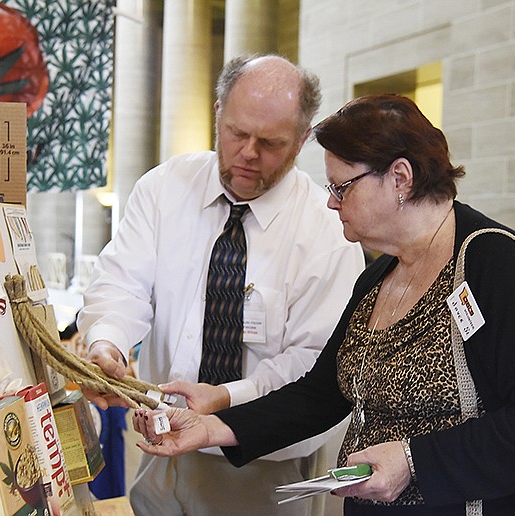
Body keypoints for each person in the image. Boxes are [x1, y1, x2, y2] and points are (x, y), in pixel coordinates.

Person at [132, 93, 515, 515]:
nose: (331, 202)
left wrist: (413, 461)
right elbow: (319, 395)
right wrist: (209, 428)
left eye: (341, 187)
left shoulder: (493, 262)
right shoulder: (378, 275)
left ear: (400, 177)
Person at [77, 54, 365, 515]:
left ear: (302, 140)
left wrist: (226, 403)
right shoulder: (164, 189)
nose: (249, 153)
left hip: (267, 470)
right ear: (217, 112)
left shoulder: (328, 231)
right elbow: (121, 283)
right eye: (236, 133)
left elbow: (313, 366)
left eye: (270, 142)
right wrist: (108, 342)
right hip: (165, 456)